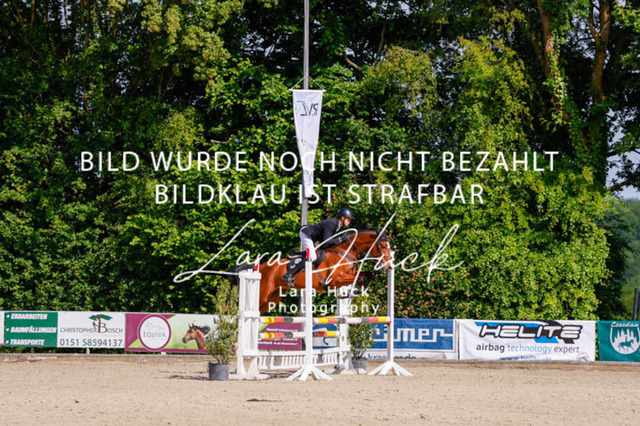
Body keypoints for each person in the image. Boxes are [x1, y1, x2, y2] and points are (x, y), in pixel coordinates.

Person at [282, 207, 354, 287]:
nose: (350, 221)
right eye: (349, 219)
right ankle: (288, 274)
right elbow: (326, 241)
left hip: (314, 238)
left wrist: (340, 240)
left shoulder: (337, 226)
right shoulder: (332, 223)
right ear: (343, 218)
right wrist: (340, 239)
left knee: (316, 253)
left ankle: (297, 253)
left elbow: (327, 242)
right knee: (312, 257)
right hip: (306, 234)